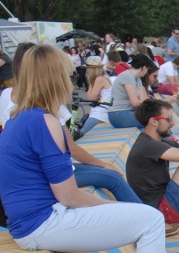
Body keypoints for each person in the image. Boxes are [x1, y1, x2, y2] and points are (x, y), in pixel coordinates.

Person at [0, 44, 179, 253]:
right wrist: (122, 209)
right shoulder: (45, 123)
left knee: (142, 219)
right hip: (43, 222)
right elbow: (68, 195)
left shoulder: (21, 118)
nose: (71, 80)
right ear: (56, 79)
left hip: (35, 219)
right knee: (148, 219)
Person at [0, 43, 143, 207]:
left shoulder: (8, 97)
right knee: (114, 178)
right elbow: (71, 151)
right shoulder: (47, 111)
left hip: (26, 179)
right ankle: (147, 215)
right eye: (69, 77)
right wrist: (103, 164)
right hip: (44, 179)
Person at [108, 54, 155, 129]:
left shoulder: (137, 78)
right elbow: (135, 103)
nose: (146, 72)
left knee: (155, 118)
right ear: (144, 67)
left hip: (127, 112)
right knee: (153, 122)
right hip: (118, 113)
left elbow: (144, 101)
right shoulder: (128, 76)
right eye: (147, 69)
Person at [78, 56, 113, 138]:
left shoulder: (99, 79)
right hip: (104, 110)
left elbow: (91, 97)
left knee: (83, 133)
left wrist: (90, 82)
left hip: (100, 113)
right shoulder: (105, 76)